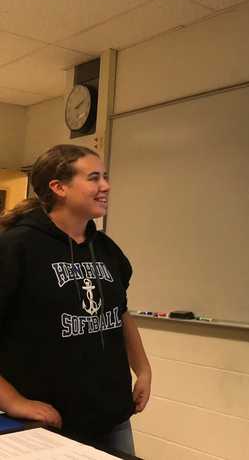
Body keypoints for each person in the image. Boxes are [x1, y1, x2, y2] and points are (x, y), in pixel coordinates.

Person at [0, 145, 151, 456]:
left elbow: (119, 314)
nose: (105, 186)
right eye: (94, 178)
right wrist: (14, 401)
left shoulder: (107, 249)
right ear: (59, 187)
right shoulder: (16, 249)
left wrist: (144, 369)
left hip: (113, 416)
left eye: (105, 177)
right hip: (48, 425)